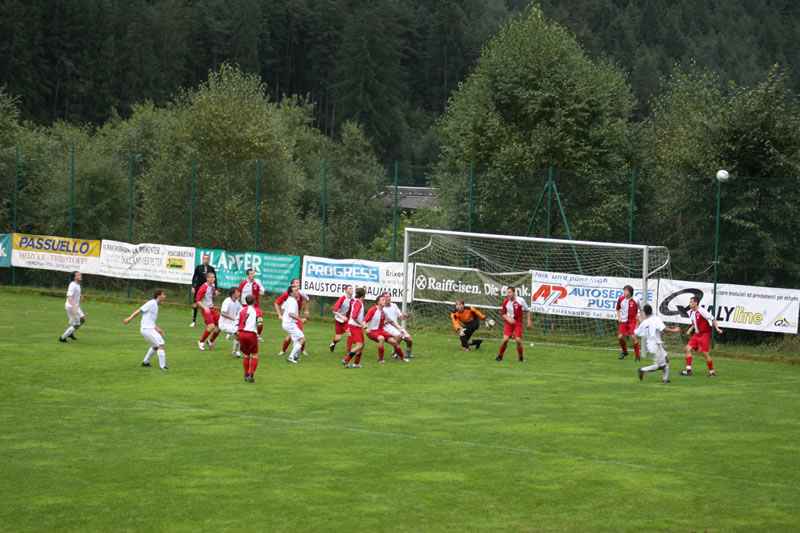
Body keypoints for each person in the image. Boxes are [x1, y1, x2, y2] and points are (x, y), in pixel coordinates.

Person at [123, 288, 169, 370]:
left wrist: (157, 328)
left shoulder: (156, 304)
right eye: (163, 294)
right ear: (158, 296)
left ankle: (145, 362)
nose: (165, 296)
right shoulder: (151, 303)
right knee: (161, 344)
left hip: (150, 328)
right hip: (147, 329)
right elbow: (139, 310)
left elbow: (151, 319)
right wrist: (129, 318)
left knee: (156, 346)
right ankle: (163, 366)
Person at [634, 304, 680, 383]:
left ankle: (665, 379)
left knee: (666, 359)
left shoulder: (644, 322)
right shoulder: (656, 319)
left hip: (655, 345)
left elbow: (635, 332)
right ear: (652, 310)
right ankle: (642, 370)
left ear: (644, 313)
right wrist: (674, 330)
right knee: (661, 366)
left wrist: (637, 322)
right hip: (654, 346)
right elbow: (663, 329)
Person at [681, 296, 723, 377]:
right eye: (690, 301)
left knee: (705, 353)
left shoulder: (702, 311)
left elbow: (713, 319)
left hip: (705, 334)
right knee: (687, 349)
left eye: (691, 302)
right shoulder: (691, 312)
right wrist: (690, 329)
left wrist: (717, 328)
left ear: (696, 303)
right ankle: (688, 370)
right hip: (697, 334)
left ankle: (712, 372)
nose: (690, 303)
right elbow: (694, 324)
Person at [365, 295, 409, 363]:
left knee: (394, 342)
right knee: (381, 338)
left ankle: (402, 358)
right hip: (372, 331)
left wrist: (399, 329)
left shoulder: (383, 312)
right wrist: (366, 328)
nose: (384, 301)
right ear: (378, 302)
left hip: (380, 331)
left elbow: (391, 321)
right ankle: (380, 359)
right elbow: (364, 321)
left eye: (384, 300)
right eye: (382, 300)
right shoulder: (373, 310)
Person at [495, 286, 532, 362]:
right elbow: (503, 313)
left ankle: (521, 358)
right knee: (505, 340)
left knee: (518, 340)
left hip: (518, 322)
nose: (508, 294)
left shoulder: (520, 300)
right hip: (509, 323)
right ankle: (500, 356)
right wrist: (509, 320)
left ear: (514, 293)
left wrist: (529, 321)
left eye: (510, 292)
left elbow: (527, 310)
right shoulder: (505, 302)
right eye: (507, 292)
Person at [275, 278, 310, 356]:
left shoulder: (301, 292)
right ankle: (288, 353)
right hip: (292, 319)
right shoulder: (288, 296)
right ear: (292, 285)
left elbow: (307, 299)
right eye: (297, 283)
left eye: (299, 282)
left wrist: (307, 310)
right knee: (298, 336)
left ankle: (298, 352)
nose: (299, 284)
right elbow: (279, 304)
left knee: (297, 335)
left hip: (296, 317)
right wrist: (281, 315)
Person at [238, 294, 264, 383]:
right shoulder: (257, 311)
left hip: (242, 333)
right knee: (254, 355)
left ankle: (246, 375)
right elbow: (260, 323)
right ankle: (251, 375)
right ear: (254, 301)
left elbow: (238, 322)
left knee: (246, 355)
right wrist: (258, 333)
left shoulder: (242, 311)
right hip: (251, 334)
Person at [382, 293, 414, 359]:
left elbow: (401, 318)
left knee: (410, 341)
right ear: (383, 299)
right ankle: (394, 353)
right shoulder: (382, 308)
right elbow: (380, 320)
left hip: (396, 326)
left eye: (389, 296)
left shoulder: (394, 305)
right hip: (388, 327)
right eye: (386, 297)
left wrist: (405, 316)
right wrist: (384, 322)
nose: (388, 298)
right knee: (400, 335)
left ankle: (408, 354)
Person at [617, 285, 644, 361]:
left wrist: (640, 318)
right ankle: (625, 352)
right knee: (620, 337)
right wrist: (619, 317)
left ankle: (637, 357)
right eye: (624, 290)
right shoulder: (621, 299)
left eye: (626, 290)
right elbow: (618, 309)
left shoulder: (636, 299)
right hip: (624, 321)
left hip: (633, 321)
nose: (624, 292)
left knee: (633, 337)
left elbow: (641, 309)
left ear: (630, 292)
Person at [342, 287, 367, 368]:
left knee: (362, 345)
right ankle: (346, 360)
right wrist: (361, 323)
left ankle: (356, 363)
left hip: (356, 326)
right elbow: (354, 316)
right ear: (363, 295)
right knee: (359, 345)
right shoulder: (358, 303)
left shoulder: (357, 302)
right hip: (355, 326)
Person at [196, 271, 221, 351]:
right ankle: (201, 341)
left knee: (221, 325)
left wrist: (215, 293)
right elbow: (198, 300)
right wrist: (205, 307)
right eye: (212, 277)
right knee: (211, 326)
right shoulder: (203, 287)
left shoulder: (212, 286)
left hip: (212, 309)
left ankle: (210, 341)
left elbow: (210, 295)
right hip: (206, 309)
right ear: (208, 278)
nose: (214, 279)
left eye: (214, 277)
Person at [281, 286, 306, 364]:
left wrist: (284, 317)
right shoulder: (292, 301)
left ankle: (295, 356)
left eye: (297, 290)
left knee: (296, 339)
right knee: (303, 339)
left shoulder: (290, 299)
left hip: (287, 323)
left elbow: (283, 308)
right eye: (295, 291)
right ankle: (291, 357)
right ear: (291, 293)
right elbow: (291, 314)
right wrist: (301, 319)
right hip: (290, 324)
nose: (297, 292)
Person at [59, 271, 86, 342]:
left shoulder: (77, 284)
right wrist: (74, 306)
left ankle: (71, 333)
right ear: (74, 277)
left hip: (76, 307)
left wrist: (81, 296)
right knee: (76, 324)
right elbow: (69, 296)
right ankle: (62, 338)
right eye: (78, 275)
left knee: (83, 319)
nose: (80, 276)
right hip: (71, 307)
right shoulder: (72, 285)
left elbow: (77, 292)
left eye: (80, 274)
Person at [190, 253, 216, 327]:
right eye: (204, 258)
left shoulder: (211, 268)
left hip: (208, 289)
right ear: (202, 259)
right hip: (199, 288)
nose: (206, 260)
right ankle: (194, 321)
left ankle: (207, 321)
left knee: (208, 304)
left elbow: (215, 279)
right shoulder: (198, 267)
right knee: (196, 304)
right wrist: (193, 286)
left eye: (207, 258)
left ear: (209, 260)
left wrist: (216, 289)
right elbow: (194, 277)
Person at [219, 287, 243, 358]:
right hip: (224, 324)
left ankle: (235, 351)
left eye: (239, 292)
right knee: (239, 333)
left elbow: (242, 311)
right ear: (233, 294)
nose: (239, 293)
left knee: (241, 333)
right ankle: (237, 351)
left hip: (232, 324)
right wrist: (233, 318)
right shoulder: (227, 301)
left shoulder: (236, 302)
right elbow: (223, 313)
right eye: (237, 292)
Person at [330, 285, 354, 352]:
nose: (351, 290)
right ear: (346, 290)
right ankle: (333, 343)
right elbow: (334, 311)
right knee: (338, 338)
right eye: (350, 289)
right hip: (339, 320)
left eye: (352, 289)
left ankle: (348, 350)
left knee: (350, 333)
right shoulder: (342, 299)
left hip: (347, 320)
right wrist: (342, 317)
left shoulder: (353, 300)